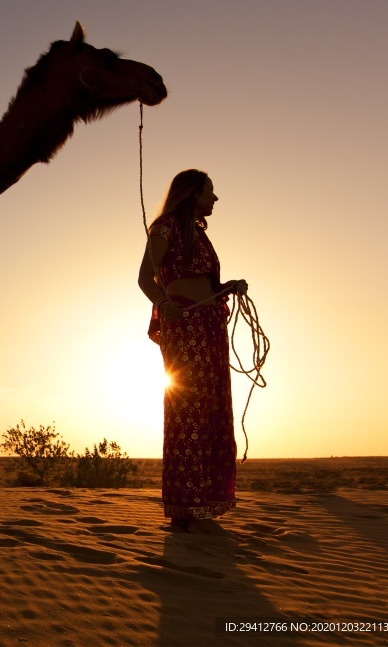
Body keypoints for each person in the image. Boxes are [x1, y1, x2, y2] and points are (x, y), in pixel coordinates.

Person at [137, 169, 247, 533]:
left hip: (210, 324)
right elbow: (145, 277)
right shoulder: (167, 227)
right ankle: (182, 510)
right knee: (188, 410)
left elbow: (206, 283)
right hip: (184, 326)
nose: (214, 199)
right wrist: (163, 302)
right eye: (210, 192)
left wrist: (228, 286)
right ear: (192, 194)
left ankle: (203, 504)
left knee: (212, 409)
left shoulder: (199, 235)